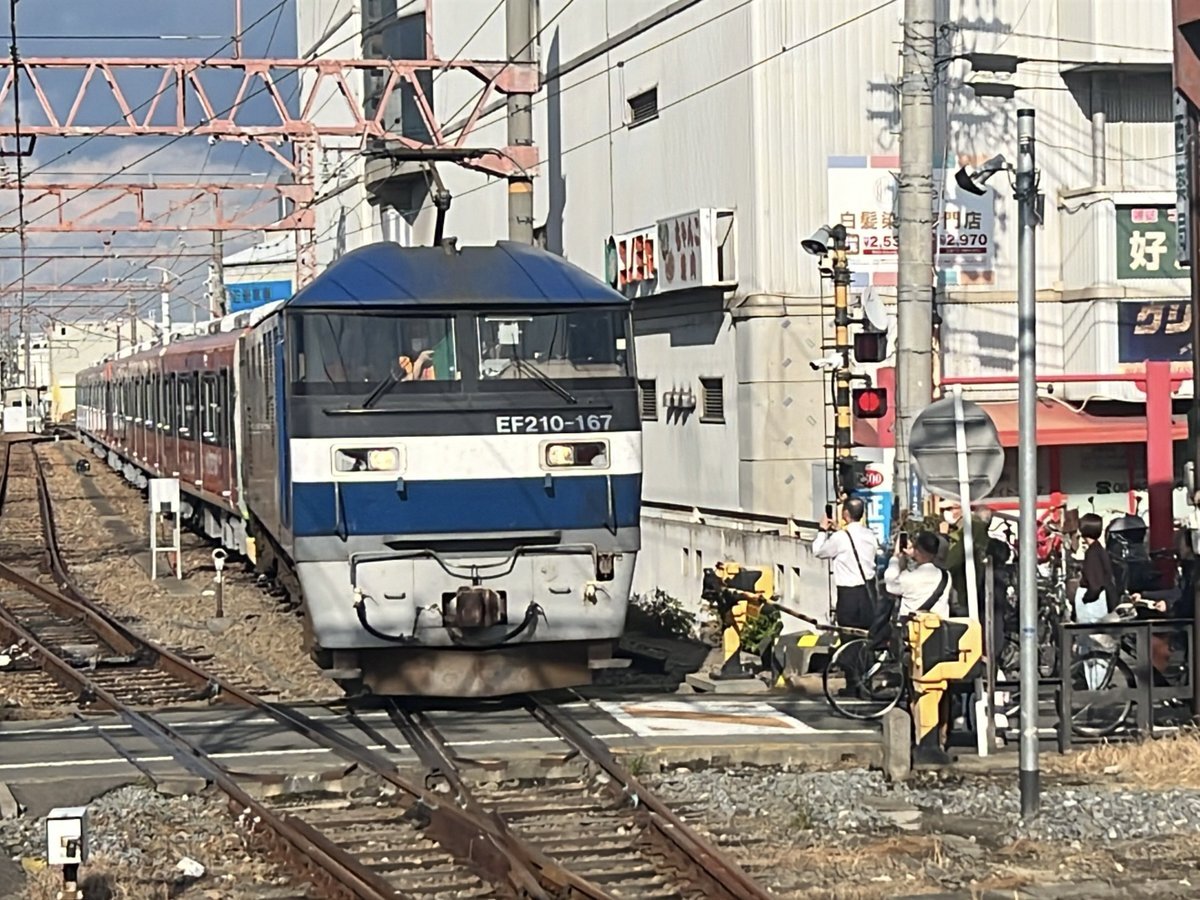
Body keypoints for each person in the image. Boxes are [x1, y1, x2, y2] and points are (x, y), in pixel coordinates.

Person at [813, 498, 880, 635]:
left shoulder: (839, 538)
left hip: (848, 595)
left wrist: (822, 530)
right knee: (867, 636)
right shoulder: (871, 535)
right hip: (869, 592)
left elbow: (818, 551)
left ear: (845, 513)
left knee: (848, 636)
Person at [885, 530, 952, 621]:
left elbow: (891, 584)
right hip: (939, 630)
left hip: (914, 631)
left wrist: (896, 556)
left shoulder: (908, 578)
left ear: (917, 550)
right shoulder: (946, 576)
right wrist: (914, 556)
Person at [940, 500, 990, 617]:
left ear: (960, 508)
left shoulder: (968, 528)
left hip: (964, 591)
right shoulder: (964, 528)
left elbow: (953, 560)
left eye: (948, 509)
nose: (945, 513)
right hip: (967, 588)